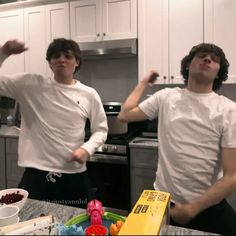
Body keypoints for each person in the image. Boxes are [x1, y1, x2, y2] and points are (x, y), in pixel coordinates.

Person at [118, 43, 236, 235]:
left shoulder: (229, 110)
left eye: (214, 60)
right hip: (163, 202)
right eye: (202, 56)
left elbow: (232, 176)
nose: (208, 60)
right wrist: (143, 83)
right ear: (188, 64)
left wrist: (192, 209)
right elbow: (125, 115)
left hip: (207, 205)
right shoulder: (166, 97)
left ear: (219, 72)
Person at [0, 38, 108, 208]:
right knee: (27, 222)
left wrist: (86, 149)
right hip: (36, 174)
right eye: (56, 56)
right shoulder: (30, 85)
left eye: (68, 56)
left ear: (77, 62)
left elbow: (101, 130)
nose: (61, 59)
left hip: (73, 174)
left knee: (75, 226)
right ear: (49, 63)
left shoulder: (89, 94)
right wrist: (3, 52)